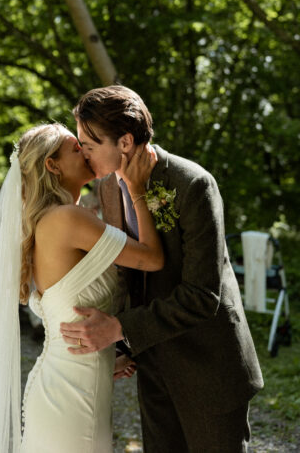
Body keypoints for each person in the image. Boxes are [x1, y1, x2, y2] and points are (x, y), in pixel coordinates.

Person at [60, 85, 264, 453]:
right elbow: (129, 275)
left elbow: (203, 296)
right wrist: (120, 345)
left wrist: (119, 327)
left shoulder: (192, 185)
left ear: (124, 142)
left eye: (89, 145)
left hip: (207, 366)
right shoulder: (107, 188)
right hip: (153, 363)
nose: (83, 154)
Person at [0, 123, 163, 453]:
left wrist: (108, 354)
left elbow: (68, 310)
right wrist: (136, 187)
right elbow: (152, 258)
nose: (85, 151)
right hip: (69, 399)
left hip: (70, 385)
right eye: (75, 147)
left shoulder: (56, 219)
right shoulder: (66, 219)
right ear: (52, 165)